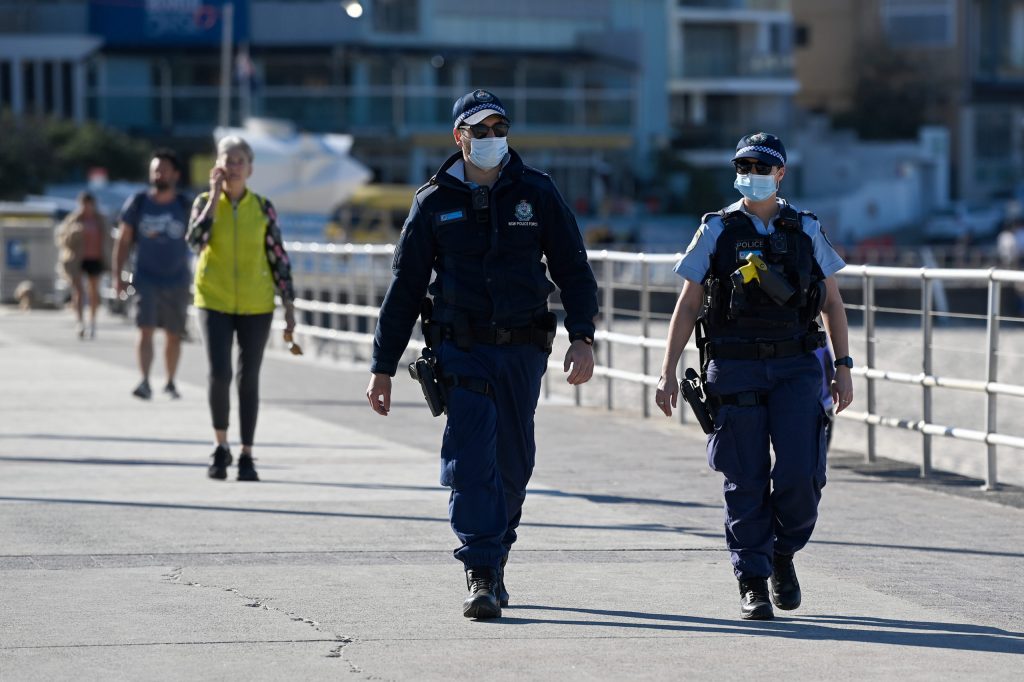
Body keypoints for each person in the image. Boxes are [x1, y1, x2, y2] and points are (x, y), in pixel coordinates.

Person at [365, 89, 599, 620]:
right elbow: (404, 290)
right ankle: (480, 569)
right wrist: (382, 368)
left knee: (513, 465)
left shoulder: (537, 192)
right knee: (472, 462)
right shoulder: (433, 202)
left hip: (522, 352)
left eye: (500, 129)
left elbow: (574, 269)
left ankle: (496, 552)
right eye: (481, 130)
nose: (492, 139)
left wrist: (582, 336)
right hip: (461, 352)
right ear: (459, 137)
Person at [654, 132, 854, 621]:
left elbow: (831, 303)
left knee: (801, 475)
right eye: (744, 165)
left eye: (763, 167)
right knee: (743, 477)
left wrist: (844, 367)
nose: (753, 174)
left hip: (797, 367)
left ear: (781, 174)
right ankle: (753, 579)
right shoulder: (717, 230)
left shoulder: (805, 228)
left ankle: (783, 552)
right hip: (735, 367)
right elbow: (687, 304)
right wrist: (667, 372)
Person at [186, 135, 296, 482]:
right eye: (226, 160)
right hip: (213, 299)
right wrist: (216, 197)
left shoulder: (263, 207)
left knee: (249, 379)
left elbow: (278, 258)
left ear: (249, 168)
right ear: (215, 165)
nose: (232, 167)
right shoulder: (204, 202)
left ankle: (247, 453)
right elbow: (194, 241)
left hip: (256, 303)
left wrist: (289, 306)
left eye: (238, 162)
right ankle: (221, 445)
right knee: (219, 374)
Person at [113, 149, 192, 400]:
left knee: (173, 333)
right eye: (155, 170)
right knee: (144, 328)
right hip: (143, 276)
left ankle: (170, 381)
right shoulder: (138, 203)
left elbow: (204, 238)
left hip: (177, 278)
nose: (159, 174)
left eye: (164, 170)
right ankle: (145, 380)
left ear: (176, 174)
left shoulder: (184, 205)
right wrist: (119, 276)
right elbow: (123, 241)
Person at [56, 192, 111, 338]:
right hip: (77, 260)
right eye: (84, 204)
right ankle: (80, 321)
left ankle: (92, 321)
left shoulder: (101, 220)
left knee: (93, 291)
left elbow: (109, 240)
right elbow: (63, 239)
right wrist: (76, 232)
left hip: (96, 259)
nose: (87, 207)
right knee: (78, 291)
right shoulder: (74, 219)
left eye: (89, 204)